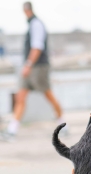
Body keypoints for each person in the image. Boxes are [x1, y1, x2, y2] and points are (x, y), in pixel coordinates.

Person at [5, 2, 66, 137]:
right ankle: (12, 130)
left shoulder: (36, 24)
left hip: (38, 67)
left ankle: (63, 124)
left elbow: (37, 47)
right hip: (31, 67)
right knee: (20, 97)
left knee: (49, 95)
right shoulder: (32, 24)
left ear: (26, 11)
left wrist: (27, 65)